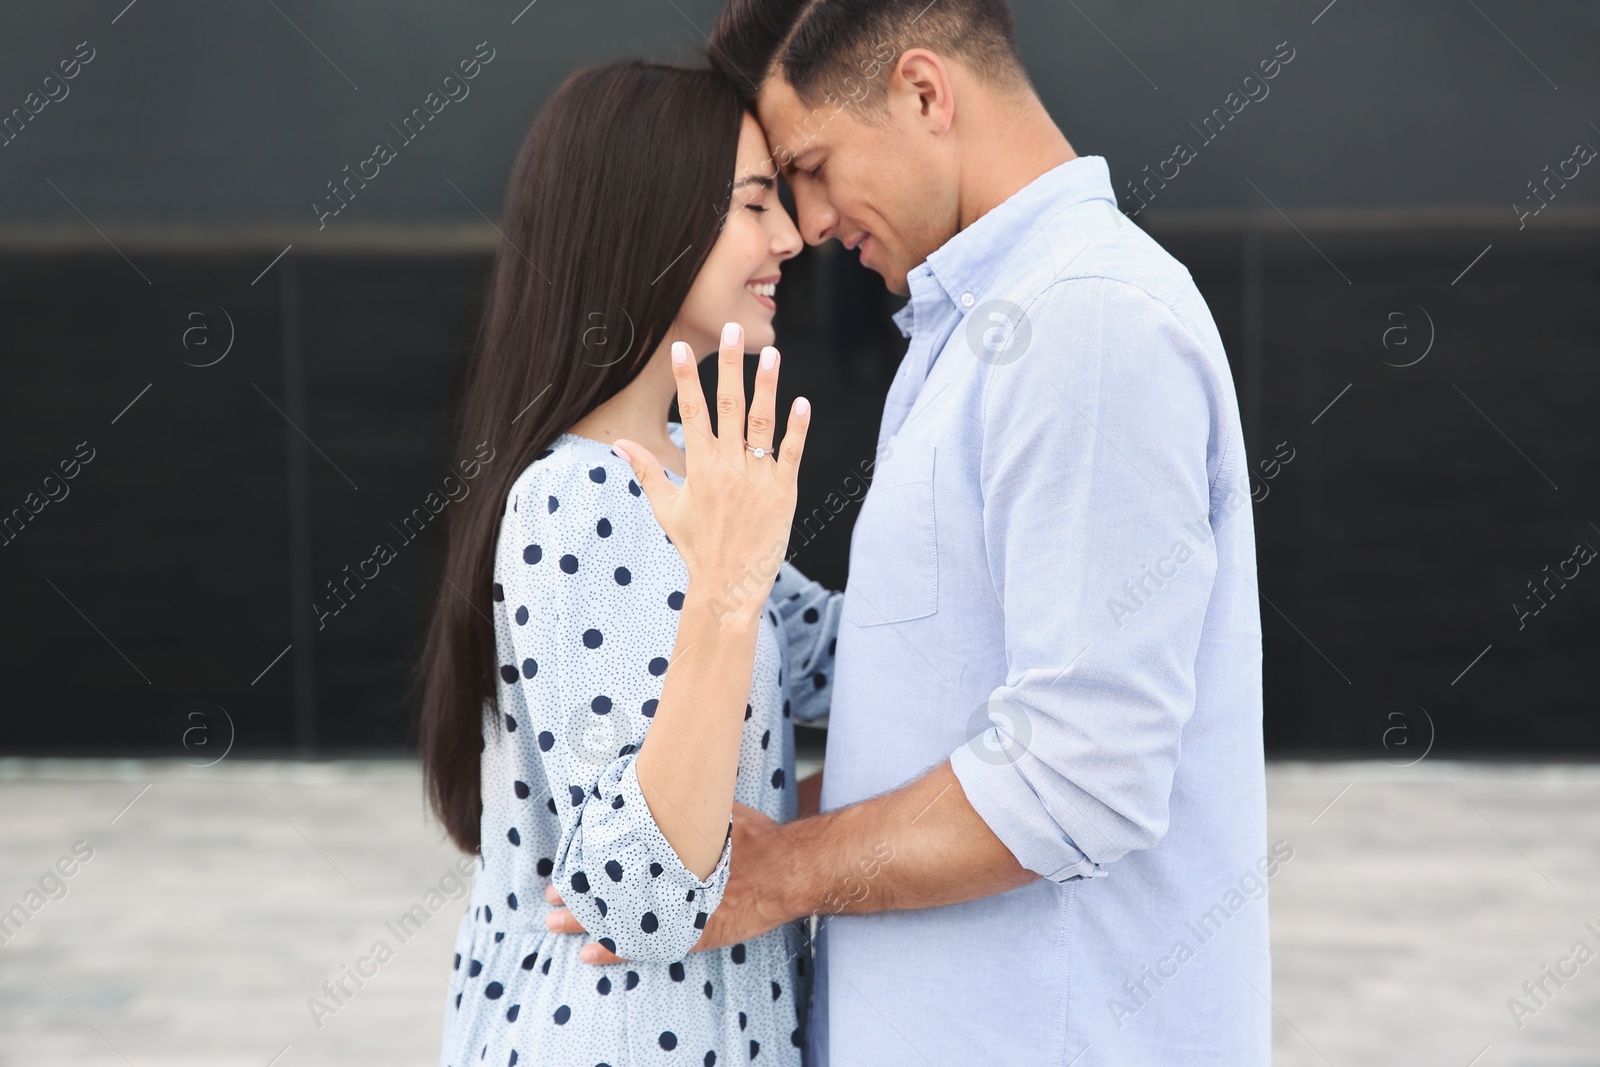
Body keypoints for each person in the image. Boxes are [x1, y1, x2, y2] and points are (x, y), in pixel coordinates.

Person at [546, 2, 1272, 1064]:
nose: (808, 222)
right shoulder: (980, 330)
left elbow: (1080, 774)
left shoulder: (1086, 320)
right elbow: (931, 712)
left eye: (809, 165)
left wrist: (781, 869)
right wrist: (678, 822)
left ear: (924, 92)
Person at [415, 60, 842, 1067]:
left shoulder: (685, 491)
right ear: (647, 223)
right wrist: (730, 594)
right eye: (753, 202)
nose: (787, 236)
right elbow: (641, 896)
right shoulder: (570, 502)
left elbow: (857, 660)